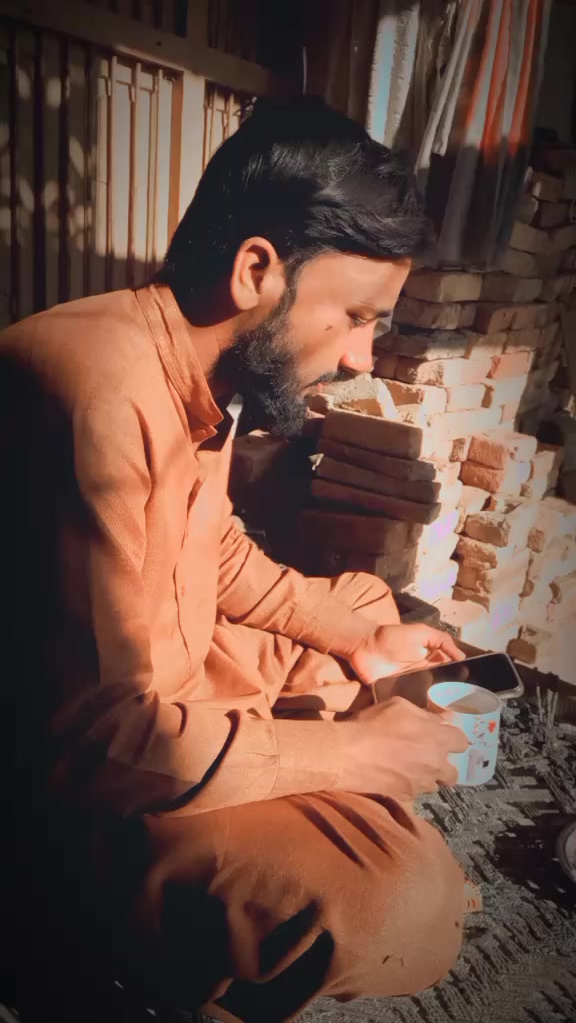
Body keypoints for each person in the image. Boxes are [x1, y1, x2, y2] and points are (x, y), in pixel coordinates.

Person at [0, 97, 469, 1022]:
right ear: (258, 268)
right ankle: (82, 939)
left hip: (169, 688)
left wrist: (356, 638)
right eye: (356, 316)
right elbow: (95, 740)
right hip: (86, 783)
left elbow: (212, 552)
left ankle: (314, 790)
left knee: (371, 607)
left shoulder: (199, 368)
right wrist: (350, 753)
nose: (361, 357)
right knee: (406, 904)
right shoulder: (90, 394)